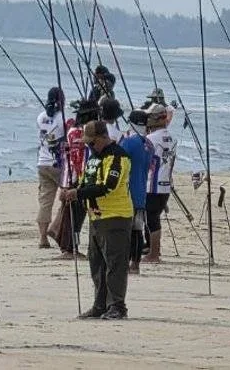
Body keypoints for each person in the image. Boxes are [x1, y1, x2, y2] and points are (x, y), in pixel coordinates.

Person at [60, 120, 133, 320]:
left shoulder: (118, 157)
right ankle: (100, 305)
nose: (90, 146)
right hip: (96, 217)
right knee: (97, 263)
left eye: (92, 142)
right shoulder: (93, 158)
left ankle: (117, 306)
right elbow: (86, 181)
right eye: (87, 143)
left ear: (103, 137)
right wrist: (73, 191)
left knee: (115, 264)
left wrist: (78, 193)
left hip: (116, 216)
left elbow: (108, 186)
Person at [55, 100, 99, 259]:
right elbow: (79, 161)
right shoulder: (78, 134)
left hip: (72, 178)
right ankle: (70, 247)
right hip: (76, 179)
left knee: (75, 215)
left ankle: (71, 246)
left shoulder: (73, 131)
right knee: (75, 216)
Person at [121, 108, 153, 275]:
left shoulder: (128, 142)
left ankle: (126, 262)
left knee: (126, 230)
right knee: (137, 229)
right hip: (141, 191)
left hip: (127, 191)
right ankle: (136, 264)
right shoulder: (149, 144)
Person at [144, 104, 176, 263]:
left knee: (151, 219)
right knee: (154, 218)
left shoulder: (150, 139)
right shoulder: (172, 138)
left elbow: (146, 162)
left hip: (152, 184)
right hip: (165, 184)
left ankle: (154, 253)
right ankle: (153, 251)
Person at [36, 87, 66, 249]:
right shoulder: (64, 118)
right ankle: (55, 227)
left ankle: (42, 238)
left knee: (45, 201)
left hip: (42, 162)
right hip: (58, 163)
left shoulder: (41, 117)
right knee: (68, 197)